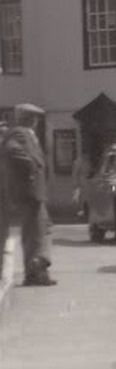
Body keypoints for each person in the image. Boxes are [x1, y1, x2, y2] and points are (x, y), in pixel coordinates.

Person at [0, 104, 56, 286]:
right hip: (29, 191)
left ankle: (38, 271)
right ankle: (35, 275)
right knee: (34, 234)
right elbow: (11, 150)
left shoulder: (27, 134)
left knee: (41, 231)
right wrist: (32, 166)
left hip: (35, 192)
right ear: (28, 119)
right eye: (34, 118)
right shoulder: (19, 133)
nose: (36, 121)